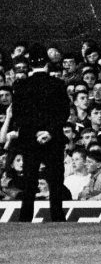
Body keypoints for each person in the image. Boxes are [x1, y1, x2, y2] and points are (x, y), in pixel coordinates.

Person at [10, 44, 68, 222]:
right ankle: (58, 218)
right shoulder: (58, 84)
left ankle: (25, 218)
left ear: (30, 64)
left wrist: (36, 132)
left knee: (29, 180)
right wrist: (49, 132)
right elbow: (64, 113)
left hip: (30, 140)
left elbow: (18, 116)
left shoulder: (21, 86)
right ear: (47, 63)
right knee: (55, 180)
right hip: (53, 139)